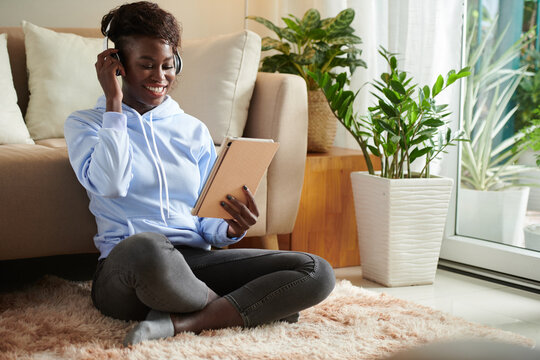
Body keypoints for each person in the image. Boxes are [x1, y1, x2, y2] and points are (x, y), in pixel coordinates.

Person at [64, 1, 335, 347]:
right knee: (147, 246)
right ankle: (241, 307)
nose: (160, 77)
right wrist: (113, 106)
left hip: (195, 263)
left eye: (167, 65)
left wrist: (230, 227)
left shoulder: (192, 130)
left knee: (316, 271)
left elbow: (207, 222)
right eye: (146, 65)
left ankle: (181, 323)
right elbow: (112, 185)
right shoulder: (86, 124)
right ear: (117, 65)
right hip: (129, 269)